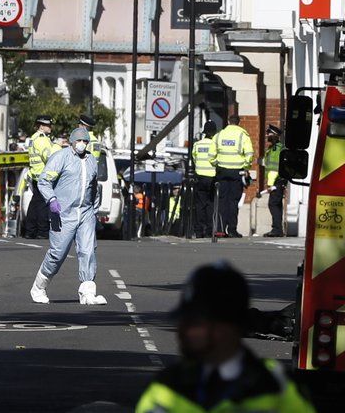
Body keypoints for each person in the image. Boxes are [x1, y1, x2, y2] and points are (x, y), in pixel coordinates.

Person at [135, 261, 316, 413]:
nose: (182, 331)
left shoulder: (275, 386)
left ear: (227, 327)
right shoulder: (166, 386)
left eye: (195, 323)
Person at [29, 127, 107, 306]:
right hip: (63, 213)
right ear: (72, 141)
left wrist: (94, 210)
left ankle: (88, 292)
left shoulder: (91, 160)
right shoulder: (61, 157)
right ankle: (39, 286)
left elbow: (94, 186)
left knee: (88, 251)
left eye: (85, 141)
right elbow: (44, 180)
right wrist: (52, 199)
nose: (82, 144)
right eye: (79, 140)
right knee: (58, 254)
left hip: (85, 212)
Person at [213, 115, 253, 238]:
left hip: (222, 172)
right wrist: (246, 166)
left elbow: (211, 155)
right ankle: (232, 229)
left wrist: (217, 164)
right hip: (237, 172)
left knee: (222, 201)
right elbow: (249, 153)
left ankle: (220, 229)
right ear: (238, 123)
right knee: (233, 202)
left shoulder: (219, 135)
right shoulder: (243, 135)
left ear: (228, 122)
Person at [25, 115, 56, 239]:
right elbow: (49, 157)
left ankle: (30, 230)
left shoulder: (34, 138)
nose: (50, 127)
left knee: (35, 204)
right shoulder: (42, 140)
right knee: (43, 204)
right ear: (41, 126)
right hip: (43, 176)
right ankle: (42, 231)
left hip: (35, 174)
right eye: (48, 125)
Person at [191, 121, 218, 238]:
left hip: (200, 177)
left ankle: (199, 230)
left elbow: (194, 159)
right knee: (210, 204)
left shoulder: (197, 145)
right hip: (212, 178)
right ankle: (209, 230)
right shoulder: (215, 145)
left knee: (200, 205)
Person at [262, 124, 285, 237]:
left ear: (275, 135)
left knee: (273, 204)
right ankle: (278, 229)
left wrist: (271, 184)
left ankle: (276, 229)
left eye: (269, 133)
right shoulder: (273, 149)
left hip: (277, 181)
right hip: (276, 181)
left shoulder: (277, 149)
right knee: (277, 204)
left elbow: (275, 169)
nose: (267, 135)